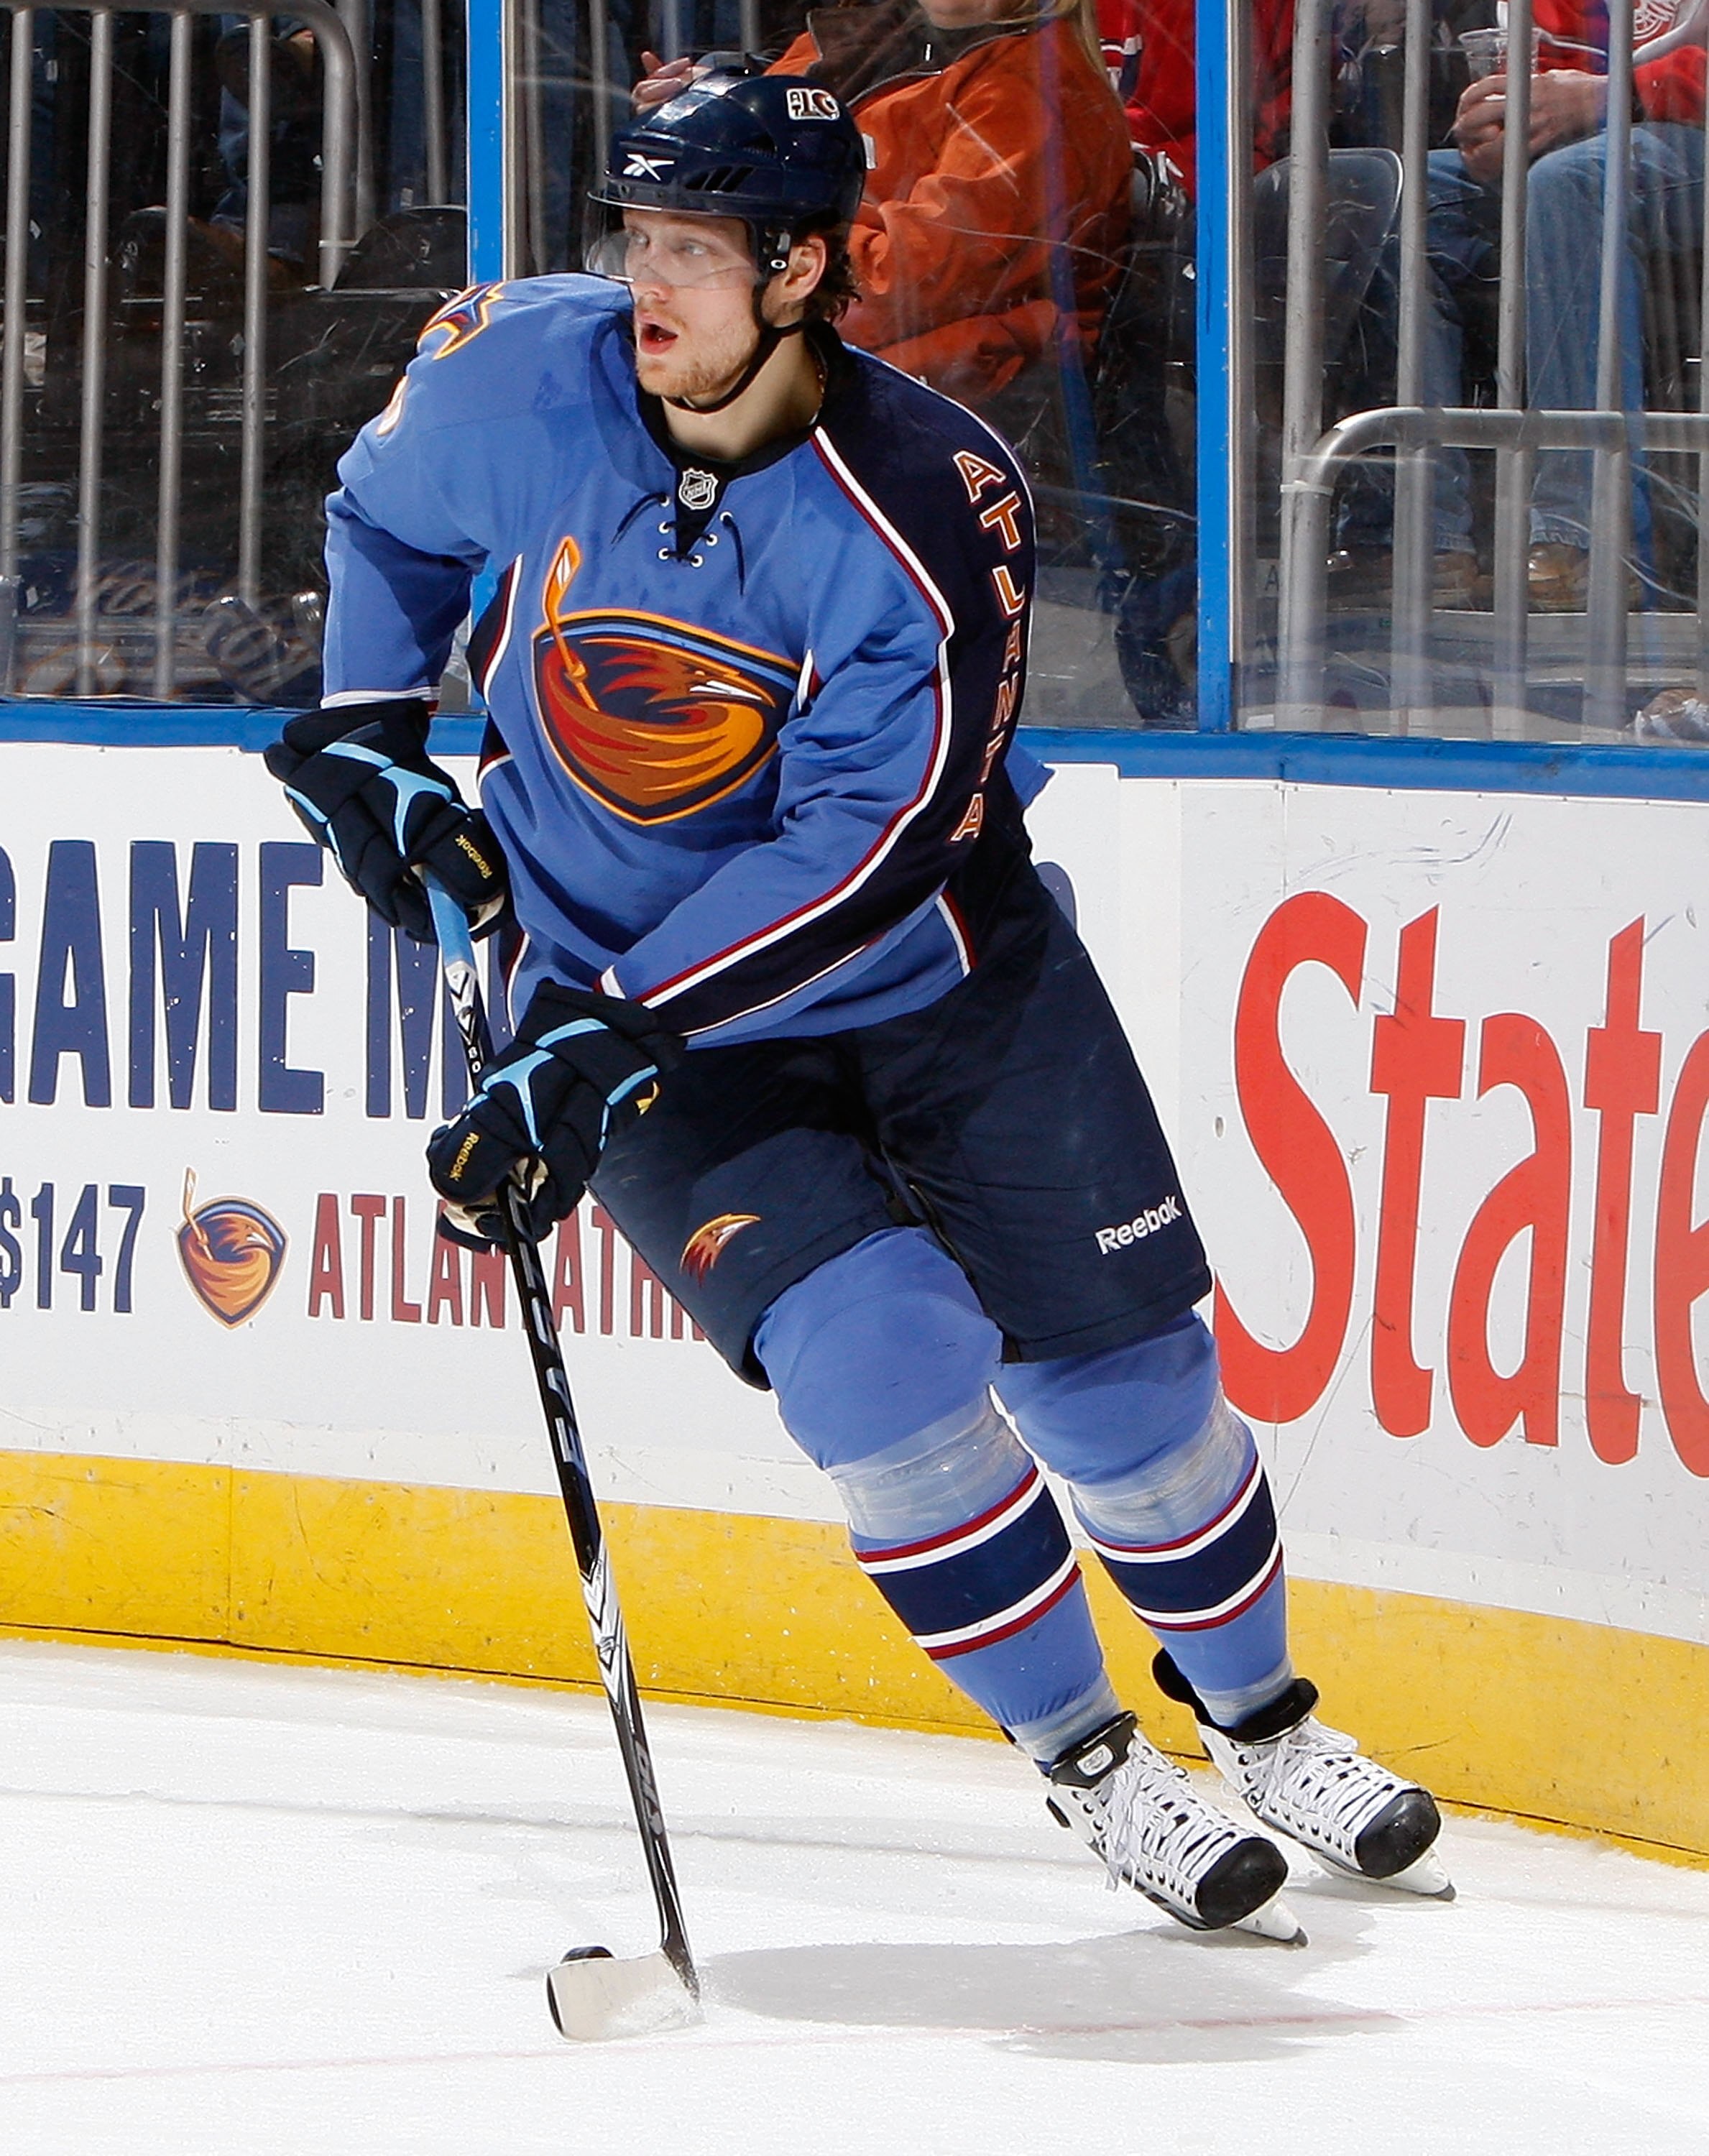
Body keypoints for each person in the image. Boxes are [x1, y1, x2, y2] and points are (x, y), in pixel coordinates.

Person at [267, 72, 1451, 1940]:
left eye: (695, 249)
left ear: (805, 268)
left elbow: (874, 839)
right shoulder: (513, 372)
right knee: (880, 1361)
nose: (647, 282)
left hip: (945, 986)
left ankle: (1261, 1720)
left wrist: (610, 1023)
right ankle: (1087, 1762)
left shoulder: (925, 497)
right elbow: (387, 523)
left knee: (1123, 1392)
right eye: (635, 238)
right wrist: (363, 736)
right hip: (647, 1033)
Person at [637, 0, 1133, 416]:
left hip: (935, 416)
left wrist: (740, 217)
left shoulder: (1038, 94)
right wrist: (704, 118)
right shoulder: (863, 34)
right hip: (796, 366)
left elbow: (885, 290)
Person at [1422, 0, 1707, 608]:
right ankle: (1422, 536)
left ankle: (1584, 537)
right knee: (1395, 195)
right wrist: (1509, 125)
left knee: (1569, 187)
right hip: (1604, 137)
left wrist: (1611, 96)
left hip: (1684, 127)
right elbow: (1548, 67)